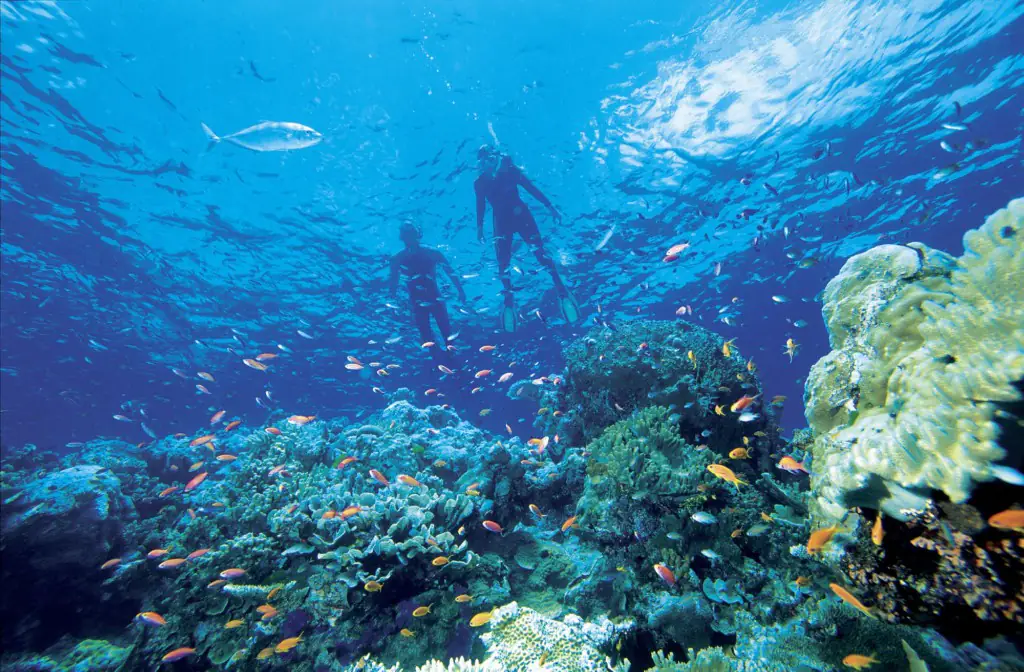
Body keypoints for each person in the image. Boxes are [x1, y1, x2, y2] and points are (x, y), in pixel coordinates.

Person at [474, 145, 579, 332]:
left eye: (489, 159)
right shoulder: (480, 183)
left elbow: (531, 188)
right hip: (502, 222)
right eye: (482, 160)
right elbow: (480, 205)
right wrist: (479, 226)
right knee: (503, 263)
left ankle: (560, 288)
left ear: (494, 158)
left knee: (540, 253)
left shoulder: (510, 170)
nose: (486, 163)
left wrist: (550, 206)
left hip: (522, 216)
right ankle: (508, 299)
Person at [389, 222, 466, 349]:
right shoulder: (427, 253)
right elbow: (450, 272)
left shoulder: (399, 258)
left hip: (426, 299)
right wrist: (460, 291)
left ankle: (447, 359)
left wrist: (461, 291)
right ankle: (444, 360)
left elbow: (393, 283)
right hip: (426, 300)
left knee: (442, 334)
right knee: (431, 336)